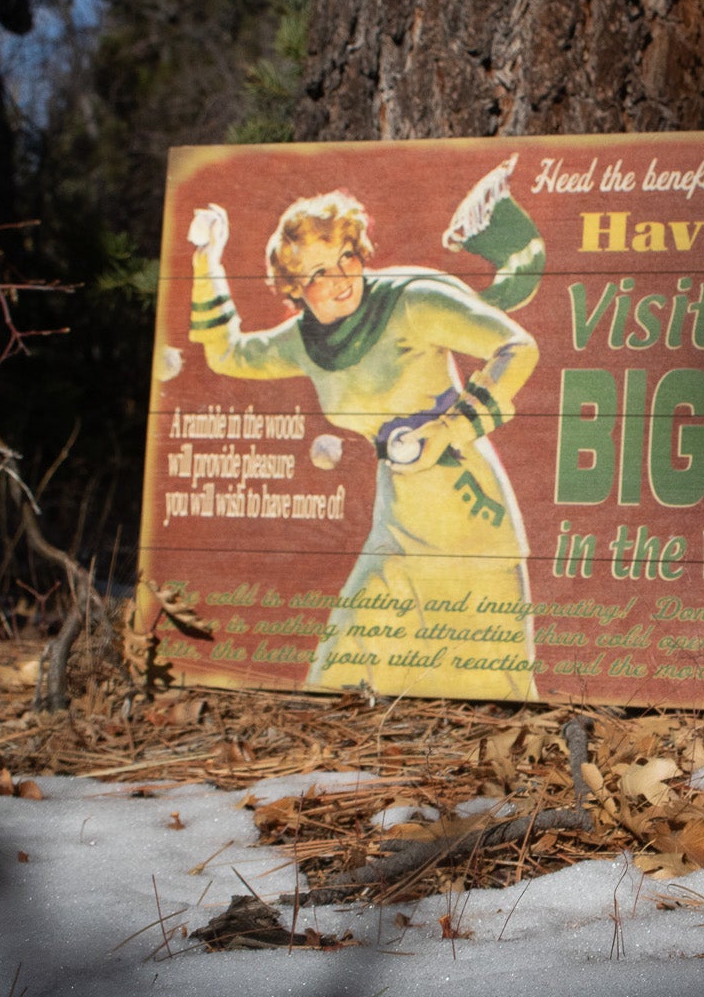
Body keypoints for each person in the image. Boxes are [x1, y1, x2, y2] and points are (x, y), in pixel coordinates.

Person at [184, 190, 541, 700]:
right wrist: (205, 259)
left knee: (492, 677)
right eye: (317, 274)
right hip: (396, 516)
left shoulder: (412, 300)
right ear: (293, 289)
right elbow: (229, 354)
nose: (340, 279)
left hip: (468, 512)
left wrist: (449, 429)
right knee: (345, 667)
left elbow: (517, 347)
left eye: (345, 257)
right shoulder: (305, 342)